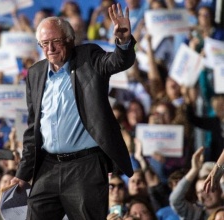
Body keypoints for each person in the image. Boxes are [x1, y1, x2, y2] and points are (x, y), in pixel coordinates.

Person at [10, 3, 136, 219]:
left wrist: (123, 42)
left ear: (69, 39)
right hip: (47, 167)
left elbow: (117, 62)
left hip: (85, 167)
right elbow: (33, 130)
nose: (50, 49)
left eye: (55, 42)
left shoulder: (89, 58)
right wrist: (23, 174)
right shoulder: (35, 74)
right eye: (44, 43)